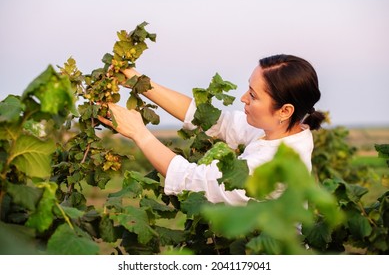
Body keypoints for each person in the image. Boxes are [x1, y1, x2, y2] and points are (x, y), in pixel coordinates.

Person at [98, 54, 325, 206]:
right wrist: (139, 82)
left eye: (254, 96)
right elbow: (214, 121)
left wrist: (139, 132)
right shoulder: (281, 131)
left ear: (285, 111)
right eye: (249, 89)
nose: (243, 98)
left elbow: (193, 181)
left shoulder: (273, 166)